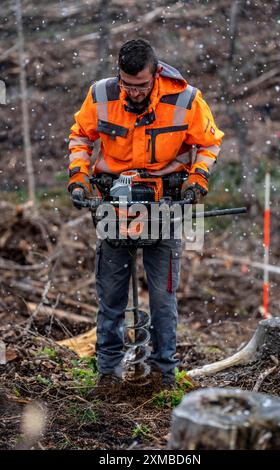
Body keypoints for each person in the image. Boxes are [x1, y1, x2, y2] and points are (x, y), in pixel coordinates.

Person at [67, 39, 224, 389]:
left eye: (140, 85)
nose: (133, 92)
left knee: (163, 300)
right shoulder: (102, 96)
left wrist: (197, 177)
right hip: (114, 204)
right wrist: (79, 175)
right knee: (111, 297)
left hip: (165, 204)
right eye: (127, 84)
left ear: (156, 75)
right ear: (118, 75)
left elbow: (209, 142)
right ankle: (107, 374)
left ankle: (163, 374)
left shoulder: (184, 99)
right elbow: (80, 136)